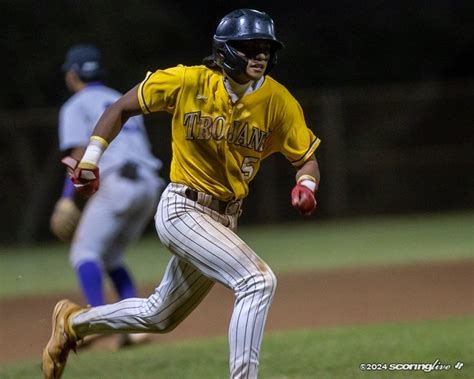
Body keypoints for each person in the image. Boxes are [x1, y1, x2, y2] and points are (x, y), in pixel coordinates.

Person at [42, 9, 321, 379]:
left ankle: (74, 323)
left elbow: (307, 159)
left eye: (266, 47)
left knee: (158, 316)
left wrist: (307, 185)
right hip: (181, 208)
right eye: (250, 46)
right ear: (225, 50)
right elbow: (122, 106)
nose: (261, 54)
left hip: (223, 219)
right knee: (257, 280)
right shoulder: (188, 81)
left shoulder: (277, 101)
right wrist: (92, 158)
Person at [49, 44, 165, 348]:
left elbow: (77, 152)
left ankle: (97, 321)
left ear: (73, 75)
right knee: (111, 256)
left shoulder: (76, 104)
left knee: (83, 253)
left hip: (118, 183)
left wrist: (65, 198)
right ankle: (137, 327)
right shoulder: (118, 96)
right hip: (149, 185)